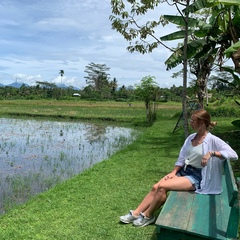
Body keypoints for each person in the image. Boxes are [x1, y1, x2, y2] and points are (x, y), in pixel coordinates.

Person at [120, 109, 238, 227]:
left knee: (162, 187)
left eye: (193, 120)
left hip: (198, 177)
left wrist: (212, 153)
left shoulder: (212, 140)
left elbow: (234, 155)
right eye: (190, 120)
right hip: (185, 171)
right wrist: (174, 172)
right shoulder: (191, 137)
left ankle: (147, 215)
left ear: (202, 123)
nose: (190, 122)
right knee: (155, 186)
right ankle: (135, 213)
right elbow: (182, 158)